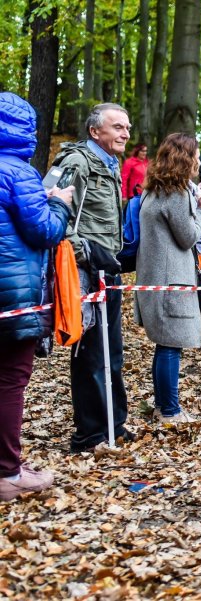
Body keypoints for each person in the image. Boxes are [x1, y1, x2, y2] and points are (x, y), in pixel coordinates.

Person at [0, 92, 73, 499]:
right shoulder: (16, 171)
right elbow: (44, 231)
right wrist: (59, 204)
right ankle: (8, 472)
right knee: (11, 379)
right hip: (11, 296)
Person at [55, 102, 133, 453]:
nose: (125, 134)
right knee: (89, 353)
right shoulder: (76, 161)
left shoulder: (112, 164)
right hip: (85, 273)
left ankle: (114, 423)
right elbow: (56, 213)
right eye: (117, 127)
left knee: (112, 349)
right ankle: (89, 434)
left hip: (109, 269)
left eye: (127, 127)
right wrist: (85, 253)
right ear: (94, 131)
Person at [135, 134, 201, 424]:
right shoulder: (177, 193)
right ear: (184, 158)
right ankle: (169, 410)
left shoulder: (153, 190)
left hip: (158, 278)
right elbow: (188, 237)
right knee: (171, 346)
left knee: (165, 345)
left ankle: (164, 406)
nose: (200, 160)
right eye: (196, 155)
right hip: (172, 281)